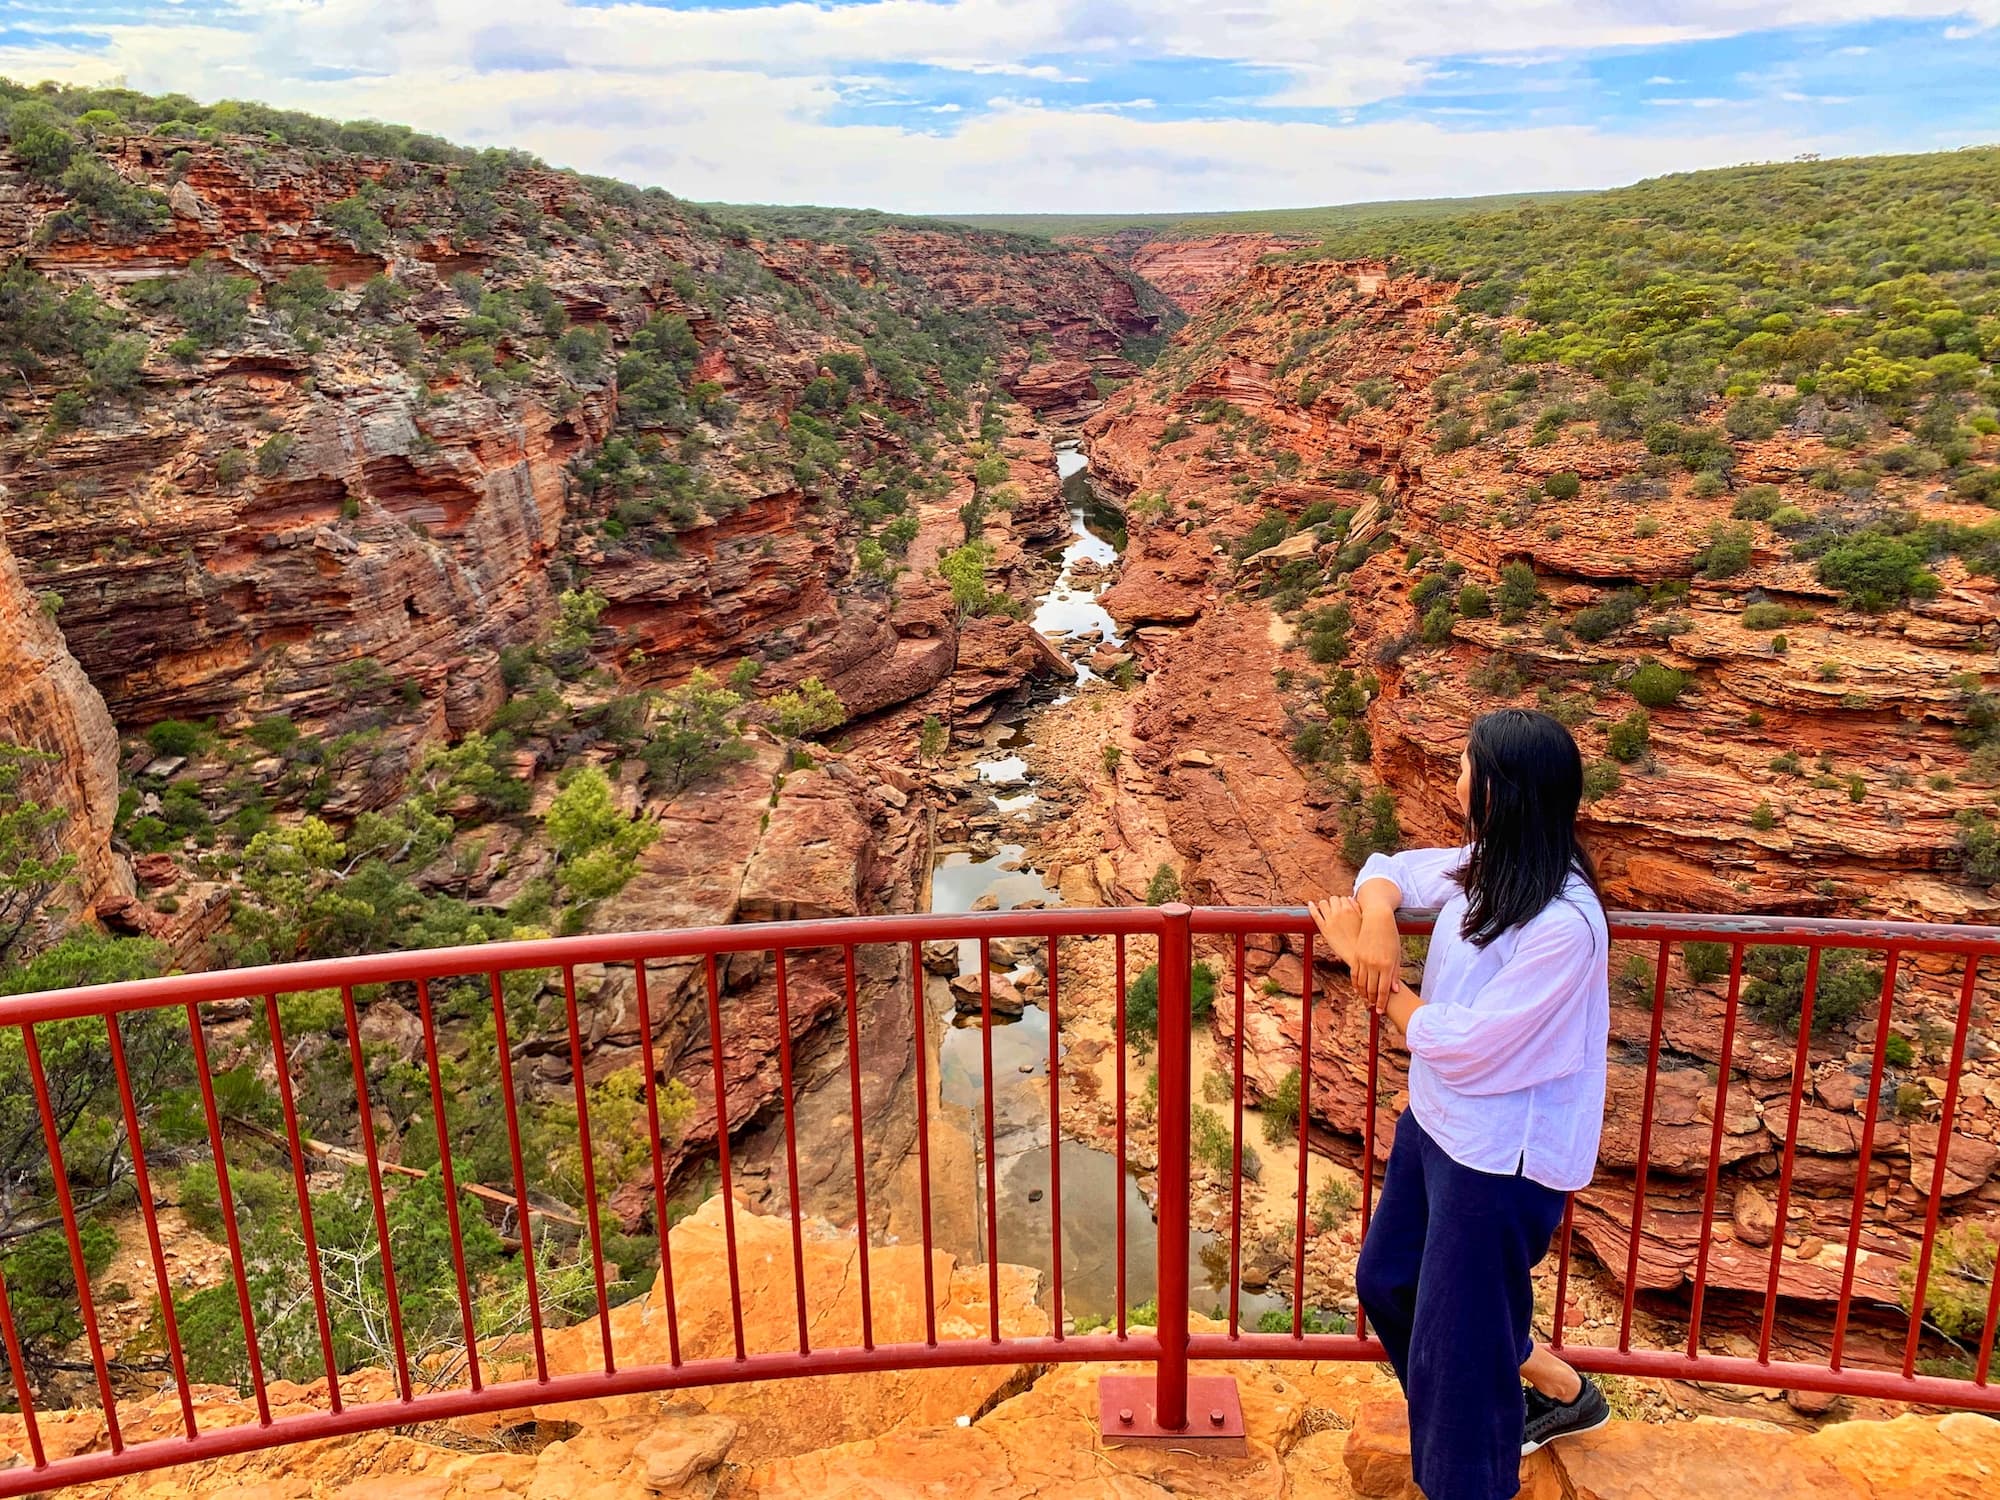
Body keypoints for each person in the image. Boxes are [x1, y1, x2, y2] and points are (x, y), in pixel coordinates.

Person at [1307, 707, 1611, 1500]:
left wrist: (1381, 984)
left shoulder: (1566, 924)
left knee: (1456, 1356)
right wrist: (1376, 918)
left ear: (1500, 789)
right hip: (1438, 1128)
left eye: (1467, 767)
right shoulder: (1492, 864)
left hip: (1501, 1159)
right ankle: (1542, 1382)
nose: (1456, 778)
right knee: (1387, 1283)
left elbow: (1469, 1046)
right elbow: (1392, 867)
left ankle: (1472, 1469)